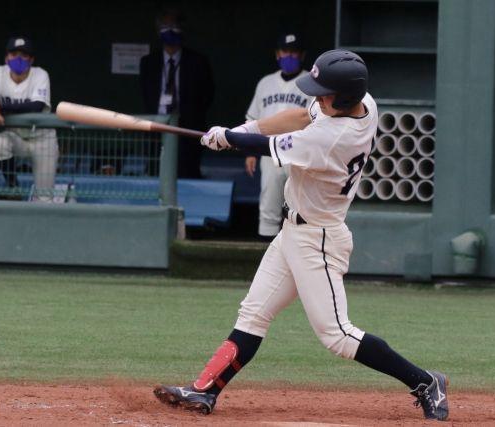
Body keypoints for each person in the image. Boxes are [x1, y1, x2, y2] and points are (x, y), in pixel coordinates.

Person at [154, 50, 449, 421]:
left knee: (337, 335)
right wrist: (246, 129)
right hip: (293, 232)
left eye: (325, 93)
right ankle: (205, 390)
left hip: (318, 240)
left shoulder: (332, 138)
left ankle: (425, 381)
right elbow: (299, 115)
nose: (318, 98)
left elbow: (273, 146)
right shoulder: (363, 104)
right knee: (253, 314)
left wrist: (229, 138)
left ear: (344, 97)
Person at [244, 32, 310, 240]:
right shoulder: (265, 83)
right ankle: (267, 253)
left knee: (299, 210)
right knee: (269, 206)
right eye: (285, 51)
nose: (289, 56)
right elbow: (252, 119)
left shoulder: (311, 83)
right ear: (277, 54)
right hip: (268, 151)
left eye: (293, 52)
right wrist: (250, 152)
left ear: (302, 55)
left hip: (298, 153)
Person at [140, 7, 214, 178]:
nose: (170, 31)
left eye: (174, 26)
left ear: (182, 29)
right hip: (156, 129)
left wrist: (190, 115)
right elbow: (146, 94)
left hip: (187, 130)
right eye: (165, 27)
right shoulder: (148, 63)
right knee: (155, 173)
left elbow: (207, 95)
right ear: (158, 31)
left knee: (187, 175)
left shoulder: (198, 62)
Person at [0, 37, 58, 203]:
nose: (18, 59)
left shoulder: (40, 74)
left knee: (44, 198)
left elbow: (36, 106)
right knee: (0, 144)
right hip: (16, 137)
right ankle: (14, 186)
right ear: (6, 58)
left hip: (43, 140)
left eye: (24, 55)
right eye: (14, 54)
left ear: (31, 59)